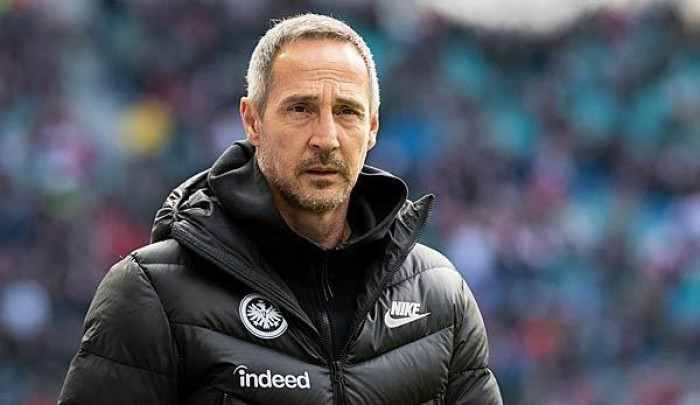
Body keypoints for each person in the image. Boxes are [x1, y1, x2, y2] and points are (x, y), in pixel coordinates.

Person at [58, 13, 502, 404]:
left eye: (347, 111)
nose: (326, 138)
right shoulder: (151, 294)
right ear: (252, 121)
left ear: (372, 128)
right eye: (301, 109)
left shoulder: (440, 297)